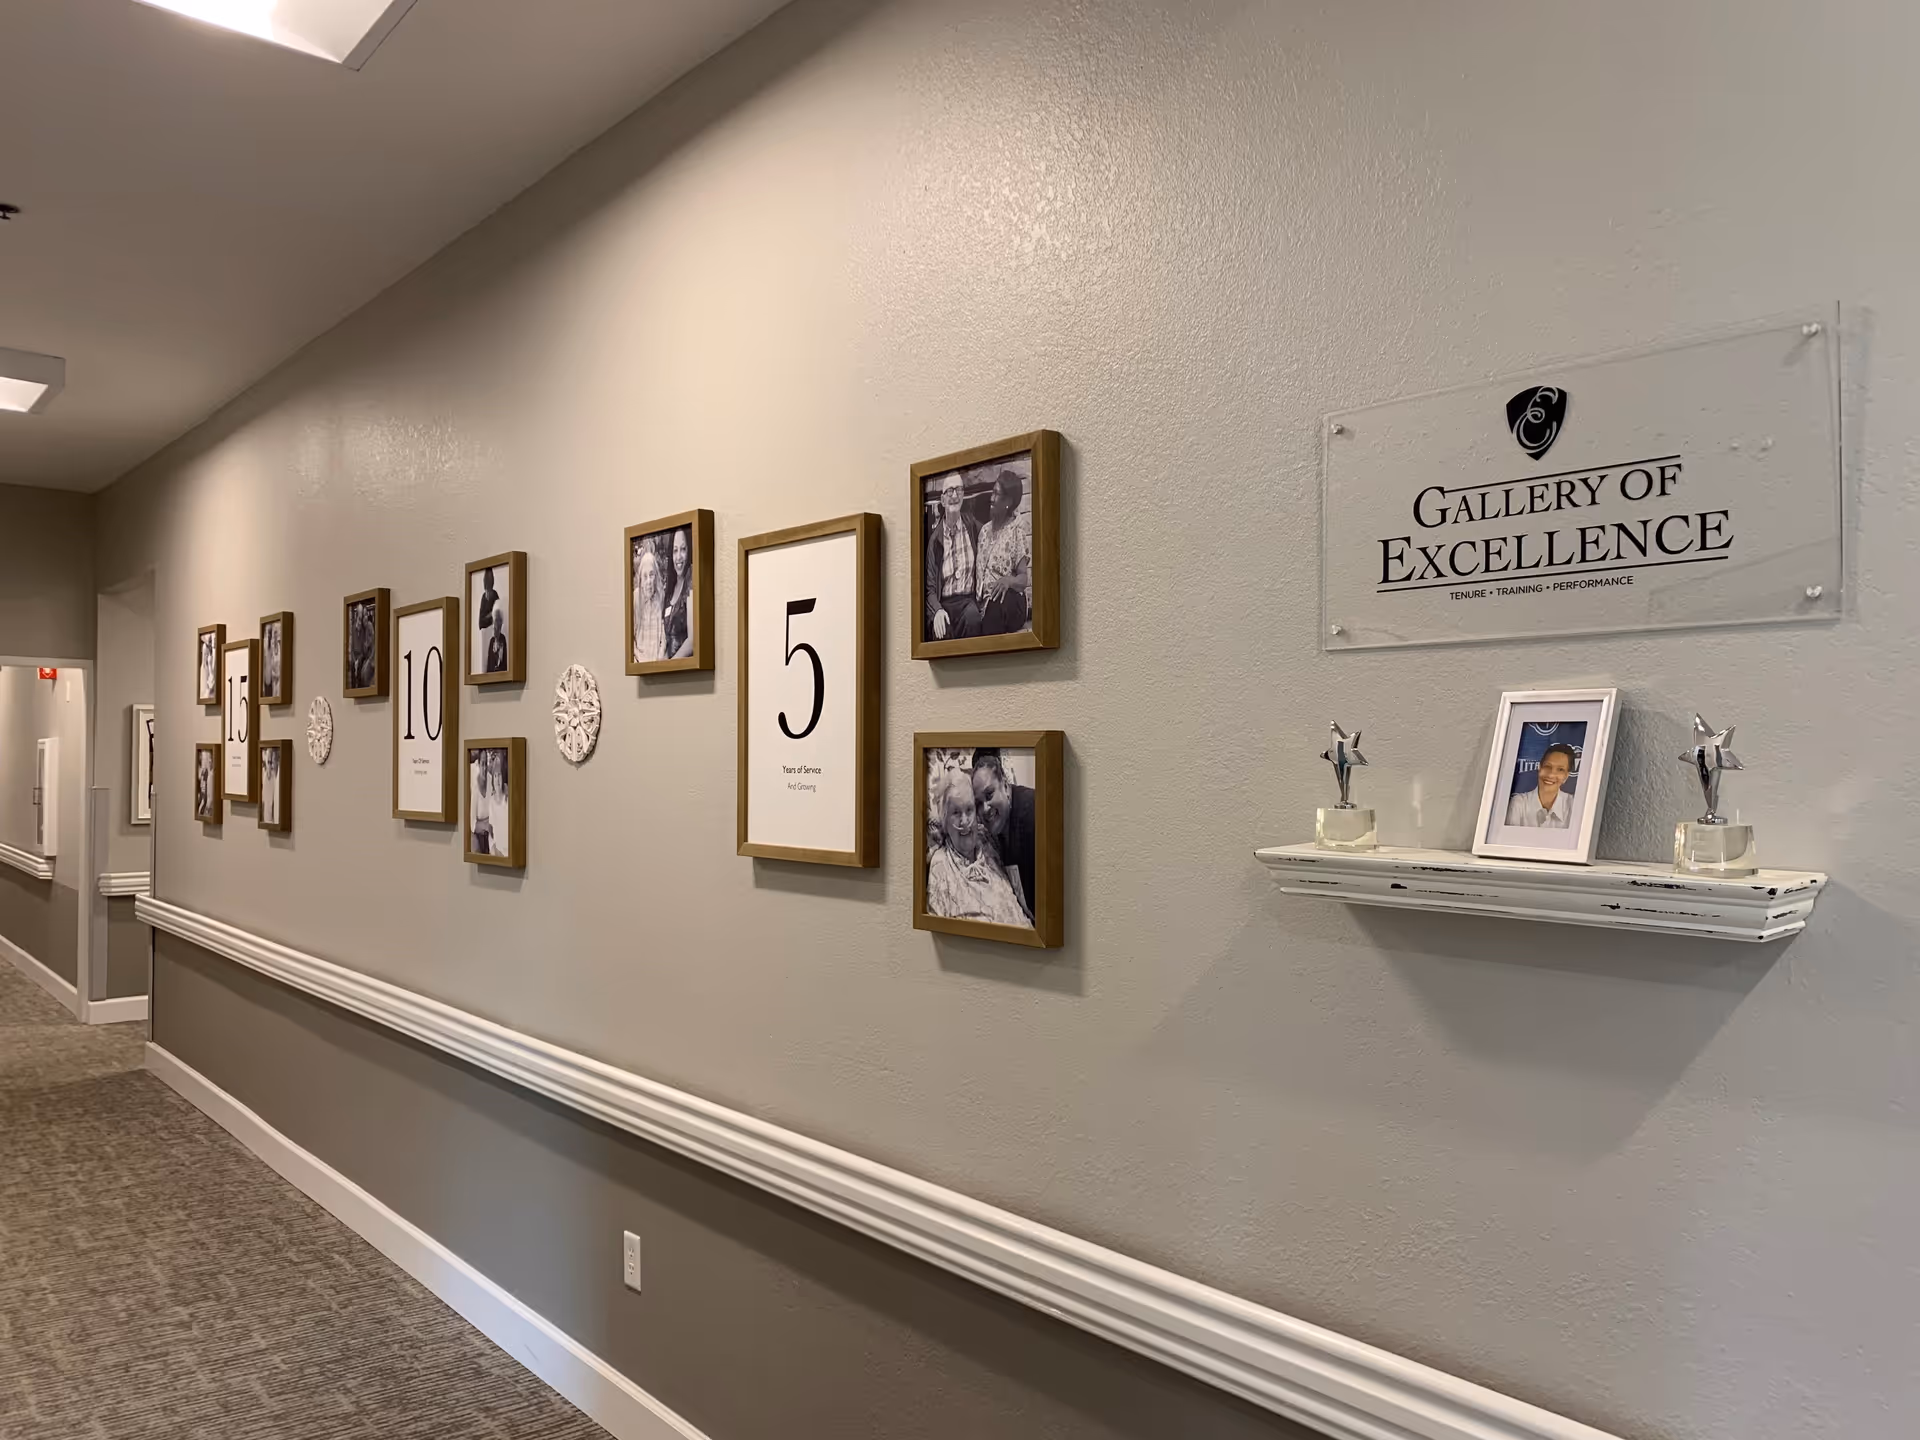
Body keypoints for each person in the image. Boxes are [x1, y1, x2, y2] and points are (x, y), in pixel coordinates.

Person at [925, 770, 1030, 926]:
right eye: (955, 812)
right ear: (945, 821)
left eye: (969, 810)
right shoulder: (940, 865)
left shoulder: (989, 839)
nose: (965, 821)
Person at [971, 750, 1037, 916]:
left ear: (1006, 787)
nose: (985, 808)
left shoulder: (1033, 814)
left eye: (989, 794)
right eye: (978, 803)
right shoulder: (995, 831)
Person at [924, 473, 981, 642]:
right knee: (940, 631)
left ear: (963, 495)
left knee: (973, 619)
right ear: (942, 500)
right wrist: (937, 611)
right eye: (949, 491)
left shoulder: (974, 528)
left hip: (967, 602)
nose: (954, 495)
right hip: (944, 604)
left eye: (958, 490)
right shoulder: (935, 541)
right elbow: (930, 589)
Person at [973, 469, 1031, 636]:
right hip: (985, 605)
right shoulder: (984, 531)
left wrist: (1007, 581)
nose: (991, 498)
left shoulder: (1016, 533)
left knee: (996, 604)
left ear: (1008, 501)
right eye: (993, 492)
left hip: (1011, 602)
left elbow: (1023, 579)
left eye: (997, 494)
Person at [1505, 742, 1576, 828]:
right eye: (1547, 766)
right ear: (1539, 767)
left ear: (1566, 776)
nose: (1551, 775)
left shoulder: (1573, 805)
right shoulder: (1518, 804)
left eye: (1560, 769)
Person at [632, 541, 666, 663]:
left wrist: (659, 659)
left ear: (656, 576)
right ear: (640, 579)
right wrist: (638, 662)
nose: (648, 581)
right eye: (645, 576)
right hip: (639, 661)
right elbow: (629, 639)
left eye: (651, 575)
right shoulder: (635, 597)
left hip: (657, 662)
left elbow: (663, 636)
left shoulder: (660, 596)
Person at [663, 526, 694, 660]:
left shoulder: (692, 579)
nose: (679, 557)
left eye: (683, 549)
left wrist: (668, 667)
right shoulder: (670, 588)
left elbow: (693, 641)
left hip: (684, 671)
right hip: (670, 674)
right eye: (675, 551)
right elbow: (666, 641)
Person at [484, 607, 507, 674]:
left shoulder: (503, 639)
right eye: (494, 622)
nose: (494, 626)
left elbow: (504, 663)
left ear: (500, 623)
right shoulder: (492, 641)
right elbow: (489, 665)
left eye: (497, 621)